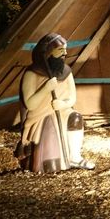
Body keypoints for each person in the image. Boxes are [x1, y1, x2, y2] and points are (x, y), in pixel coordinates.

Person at [15, 32, 95, 172]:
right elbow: (30, 104)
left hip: (62, 111)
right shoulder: (32, 73)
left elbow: (72, 97)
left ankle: (74, 157)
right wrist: (46, 89)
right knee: (52, 164)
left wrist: (63, 104)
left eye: (65, 49)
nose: (65, 53)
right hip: (40, 117)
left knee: (76, 118)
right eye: (60, 50)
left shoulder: (66, 71)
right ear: (48, 53)